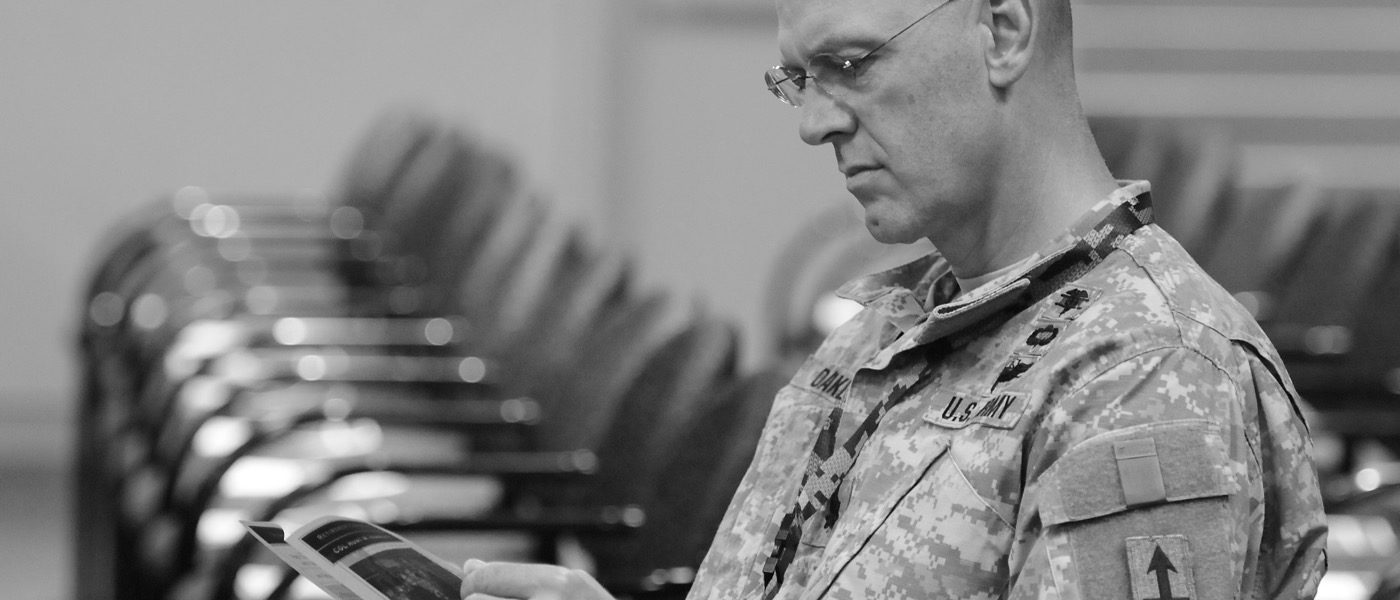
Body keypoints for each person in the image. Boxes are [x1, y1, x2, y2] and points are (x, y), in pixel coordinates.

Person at [461, 0, 1329, 597]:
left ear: (1003, 29)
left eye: (849, 63)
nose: (815, 123)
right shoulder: (877, 336)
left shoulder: (1147, 372)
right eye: (798, 79)